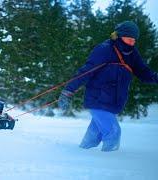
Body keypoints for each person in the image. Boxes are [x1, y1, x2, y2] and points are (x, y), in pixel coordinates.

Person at [58, 21, 158, 152]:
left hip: (114, 101)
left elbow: (143, 72)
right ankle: (111, 161)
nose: (132, 43)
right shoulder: (104, 49)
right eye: (129, 39)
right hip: (98, 99)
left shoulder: (133, 54)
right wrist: (68, 91)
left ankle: (81, 154)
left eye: (134, 40)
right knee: (113, 132)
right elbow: (86, 72)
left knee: (95, 135)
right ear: (119, 36)